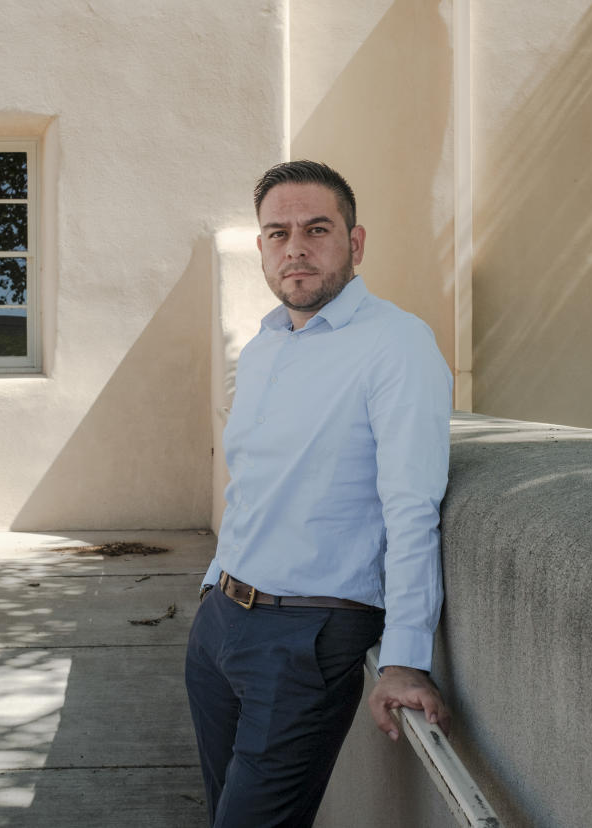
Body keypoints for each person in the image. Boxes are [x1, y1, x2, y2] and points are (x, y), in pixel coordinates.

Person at [185, 160, 453, 827]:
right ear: (262, 250)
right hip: (221, 625)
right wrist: (213, 584)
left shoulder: (398, 345)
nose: (295, 247)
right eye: (277, 233)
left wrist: (404, 660)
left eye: (316, 228)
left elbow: (412, 505)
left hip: (307, 639)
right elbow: (250, 484)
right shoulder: (266, 345)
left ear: (355, 244)